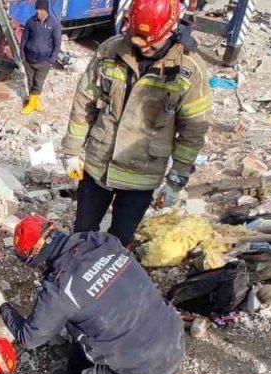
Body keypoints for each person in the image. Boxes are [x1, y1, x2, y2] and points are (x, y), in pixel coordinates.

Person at [0, 215, 185, 374]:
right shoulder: (102, 241)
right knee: (81, 327)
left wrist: (2, 306)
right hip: (173, 336)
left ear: (36, 261)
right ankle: (77, 372)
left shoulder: (59, 290)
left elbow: (29, 338)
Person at [61, 0, 211, 247]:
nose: (143, 46)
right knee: (83, 231)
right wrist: (72, 151)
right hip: (100, 165)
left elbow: (193, 130)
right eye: (137, 37)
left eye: (151, 41)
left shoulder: (189, 70)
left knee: (120, 239)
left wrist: (177, 178)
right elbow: (84, 102)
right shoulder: (111, 51)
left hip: (142, 173)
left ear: (170, 30)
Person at [20, 0, 61, 116]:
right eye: (36, 9)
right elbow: (24, 40)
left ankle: (32, 105)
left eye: (40, 9)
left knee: (38, 82)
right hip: (29, 59)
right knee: (30, 81)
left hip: (44, 61)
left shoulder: (54, 24)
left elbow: (57, 43)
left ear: (46, 10)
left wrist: (51, 60)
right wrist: (22, 55)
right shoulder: (30, 22)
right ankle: (34, 101)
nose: (37, 11)